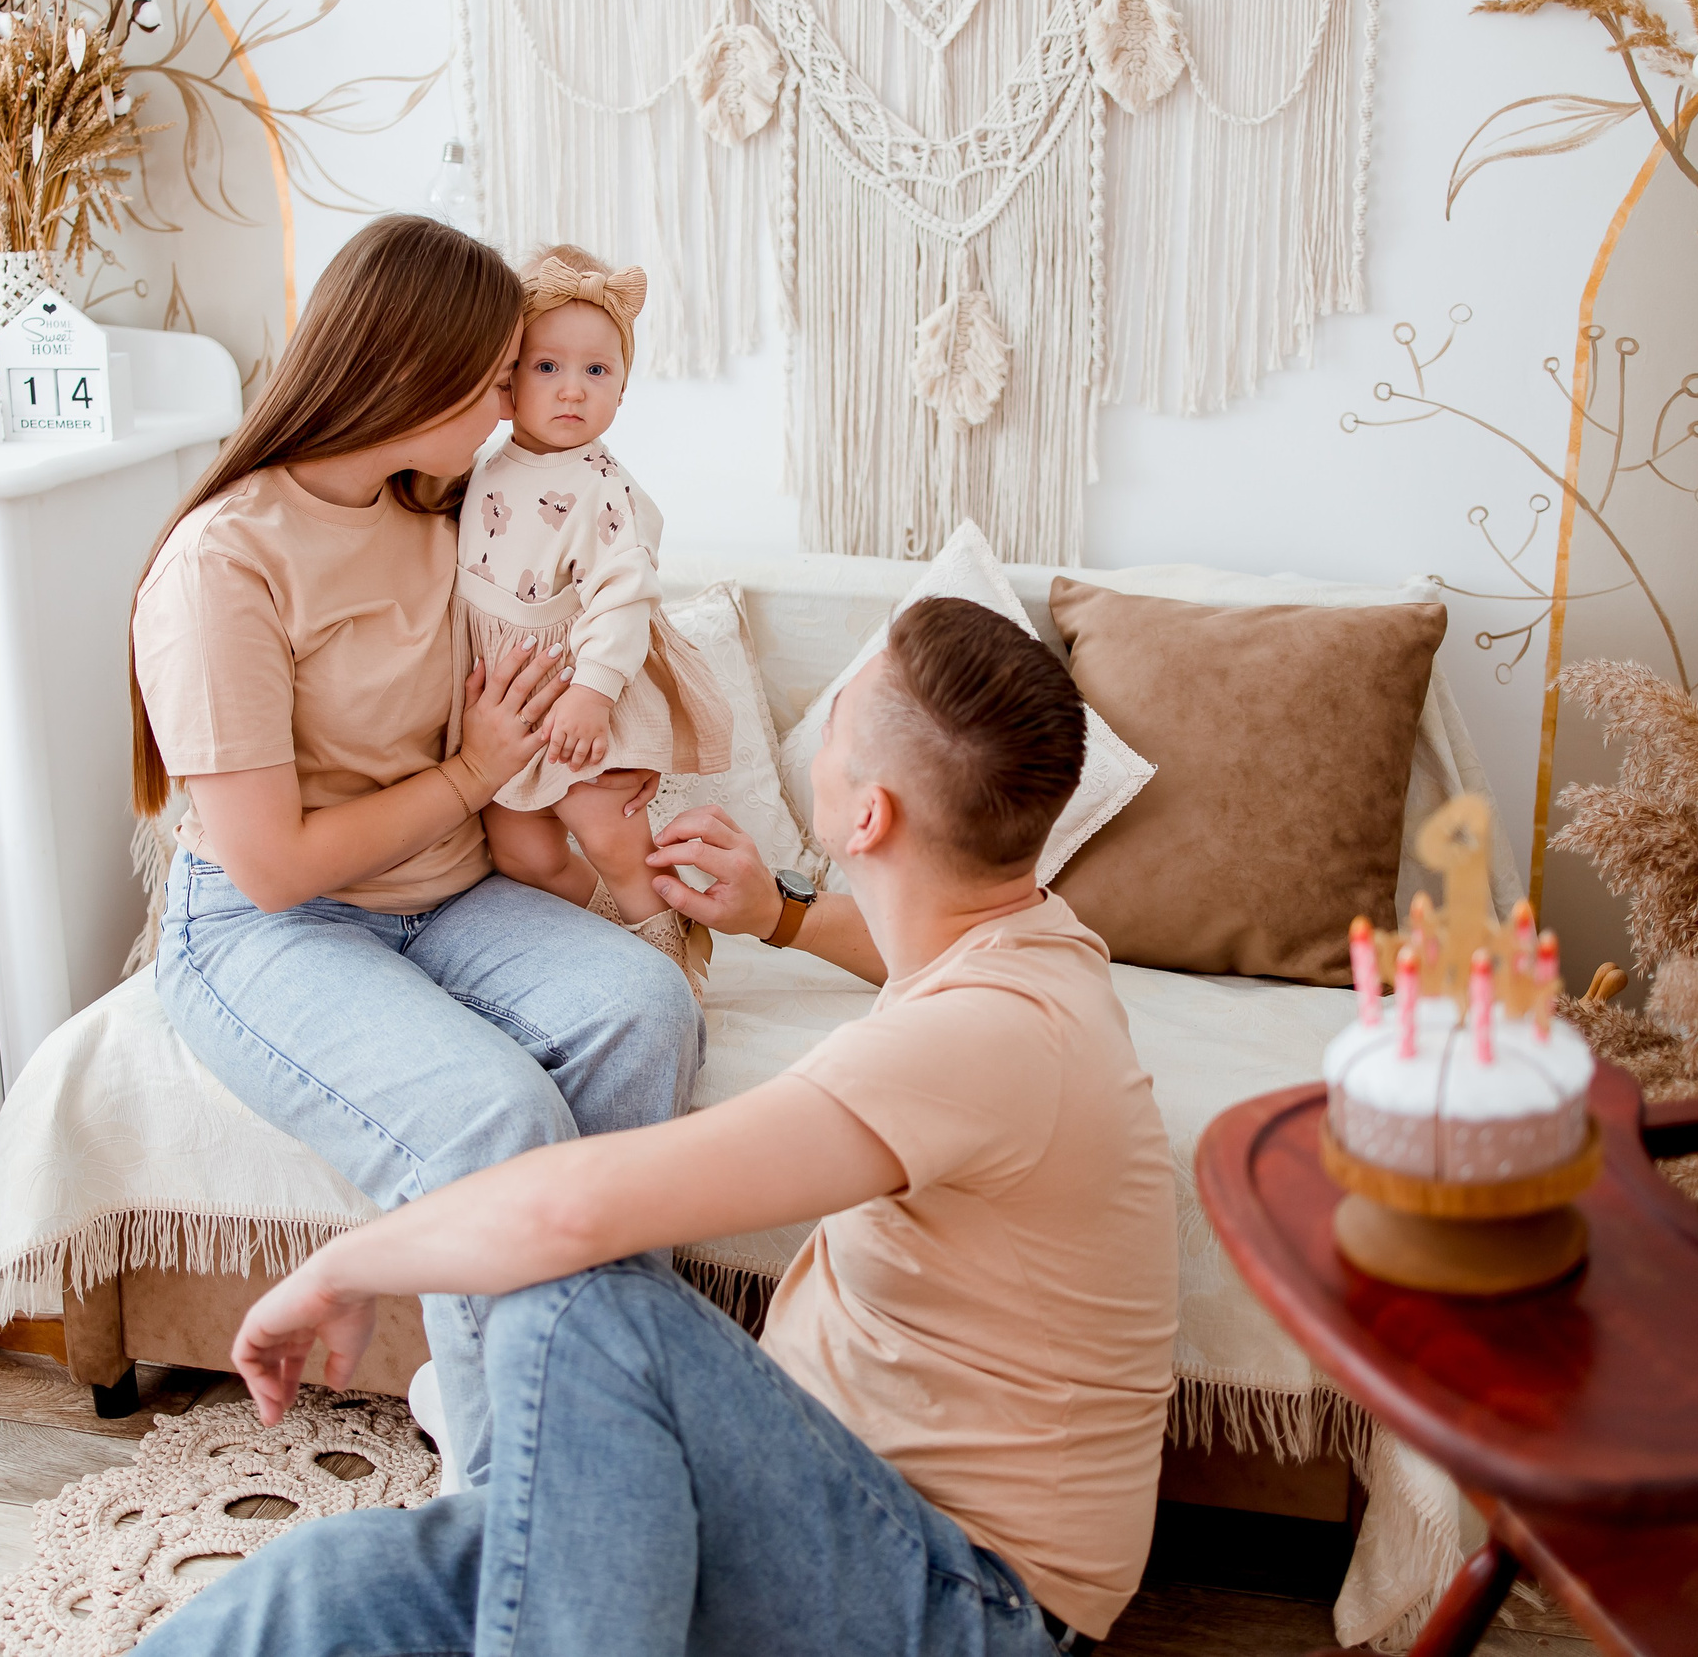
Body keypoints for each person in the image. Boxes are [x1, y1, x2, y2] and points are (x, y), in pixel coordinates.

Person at [142, 596, 1180, 1657]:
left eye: (829, 731)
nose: (813, 745)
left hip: (965, 1600)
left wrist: (342, 1267)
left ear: (864, 817)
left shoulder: (984, 1043)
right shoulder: (1030, 951)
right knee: (335, 1580)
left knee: (586, 1303)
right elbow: (921, 953)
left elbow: (573, 1206)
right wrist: (773, 915)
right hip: (809, 1496)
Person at [127, 215, 701, 1490]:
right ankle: (519, 1494)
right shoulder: (222, 564)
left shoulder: (446, 507)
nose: (514, 401)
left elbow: (590, 560)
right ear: (413, 377)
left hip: (444, 891)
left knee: (643, 1007)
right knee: (489, 1116)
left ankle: (582, 1400)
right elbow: (271, 867)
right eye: (497, 373)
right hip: (267, 926)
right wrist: (471, 776)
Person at [457, 244, 731, 994]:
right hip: (508, 695)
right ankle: (613, 929)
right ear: (507, 378)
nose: (572, 390)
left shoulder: (603, 486)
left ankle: (669, 951)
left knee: (610, 830)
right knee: (517, 845)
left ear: (621, 387)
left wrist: (595, 691)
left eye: (597, 371)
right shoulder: (479, 462)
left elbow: (622, 595)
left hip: (577, 681)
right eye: (548, 367)